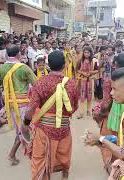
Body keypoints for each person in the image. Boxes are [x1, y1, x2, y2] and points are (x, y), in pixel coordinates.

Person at [24, 50, 79, 180]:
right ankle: (64, 173)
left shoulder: (40, 82)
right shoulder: (71, 84)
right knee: (63, 152)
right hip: (64, 127)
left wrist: (26, 123)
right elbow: (74, 107)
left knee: (40, 158)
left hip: (44, 129)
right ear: (65, 65)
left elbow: (32, 108)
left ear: (48, 65)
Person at [0, 45, 36, 165]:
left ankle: (16, 154)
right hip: (23, 104)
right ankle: (20, 155)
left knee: (21, 130)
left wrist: (3, 98)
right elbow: (37, 85)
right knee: (25, 129)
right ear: (18, 54)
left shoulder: (2, 69)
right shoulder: (24, 68)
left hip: (11, 105)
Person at [76, 46, 98, 118]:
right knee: (82, 96)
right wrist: (83, 73)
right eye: (85, 52)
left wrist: (91, 72)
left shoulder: (94, 60)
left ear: (90, 53)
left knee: (89, 96)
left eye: (88, 52)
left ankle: (88, 110)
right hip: (82, 80)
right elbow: (77, 69)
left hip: (90, 80)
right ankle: (81, 112)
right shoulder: (80, 60)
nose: (86, 54)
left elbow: (97, 70)